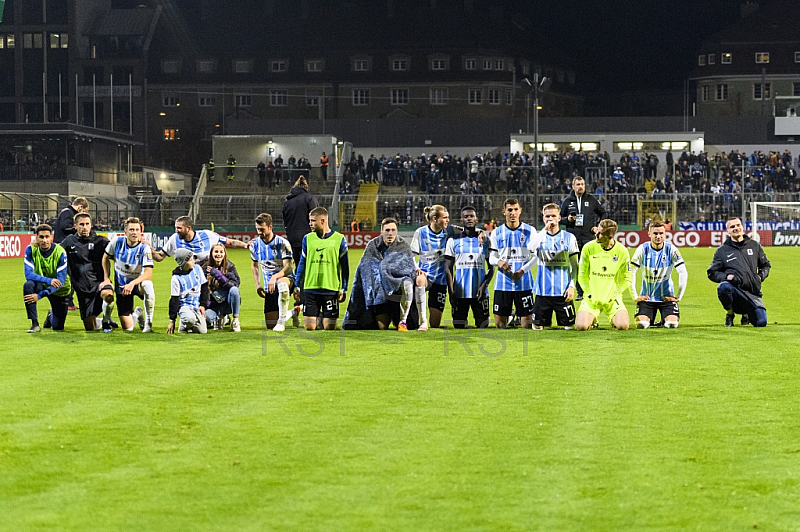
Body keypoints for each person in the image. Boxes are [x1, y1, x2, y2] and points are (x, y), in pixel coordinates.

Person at [344, 217, 418, 331]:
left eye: (393, 230)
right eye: (387, 230)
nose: (390, 233)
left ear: (397, 231)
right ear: (381, 231)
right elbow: (366, 267)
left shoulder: (403, 246)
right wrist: (382, 277)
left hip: (396, 293)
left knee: (408, 284)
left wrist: (389, 274)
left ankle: (403, 319)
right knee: (381, 327)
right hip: (380, 293)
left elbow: (408, 269)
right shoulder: (372, 245)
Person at [520, 203, 579, 330]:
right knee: (537, 327)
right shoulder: (539, 237)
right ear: (543, 218)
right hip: (542, 292)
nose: (550, 219)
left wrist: (572, 286)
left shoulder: (569, 237)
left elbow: (575, 266)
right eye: (547, 216)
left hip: (563, 292)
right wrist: (545, 230)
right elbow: (530, 247)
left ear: (559, 218)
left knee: (569, 328)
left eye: (553, 216)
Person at [489, 198, 542, 329]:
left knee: (527, 326)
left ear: (520, 211)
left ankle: (514, 317)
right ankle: (511, 316)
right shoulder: (496, 232)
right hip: (503, 284)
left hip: (524, 283)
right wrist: (499, 262)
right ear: (504, 212)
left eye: (515, 210)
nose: (513, 213)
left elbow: (536, 256)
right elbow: (491, 257)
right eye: (510, 210)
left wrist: (523, 270)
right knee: (499, 325)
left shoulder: (530, 230)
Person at [707, 217, 770, 327]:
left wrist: (760, 277)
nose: (736, 228)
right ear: (728, 231)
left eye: (738, 225)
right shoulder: (722, 251)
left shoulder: (754, 245)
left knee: (761, 323)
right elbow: (712, 272)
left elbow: (766, 265)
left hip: (752, 293)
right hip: (735, 290)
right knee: (723, 287)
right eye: (732, 227)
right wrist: (726, 277)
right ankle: (730, 314)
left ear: (742, 227)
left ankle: (746, 314)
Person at [293, 207, 349, 331]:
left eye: (313, 221)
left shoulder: (339, 239)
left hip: (330, 289)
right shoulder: (307, 239)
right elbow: (302, 263)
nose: (310, 223)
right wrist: (297, 285)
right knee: (309, 327)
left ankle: (321, 318)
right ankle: (313, 316)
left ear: (322, 221)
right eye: (310, 220)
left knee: (330, 327)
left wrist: (344, 288)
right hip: (310, 288)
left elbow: (345, 267)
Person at [61, 212, 117, 332]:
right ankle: (102, 320)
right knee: (90, 329)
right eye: (81, 224)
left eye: (87, 224)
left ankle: (106, 320)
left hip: (100, 284)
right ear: (75, 226)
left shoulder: (101, 242)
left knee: (108, 295)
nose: (85, 227)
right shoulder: (69, 242)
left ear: (91, 225)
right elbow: (55, 253)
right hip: (82, 289)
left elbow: (119, 255)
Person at [574, 219, 632, 331]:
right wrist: (588, 293)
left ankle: (612, 318)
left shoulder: (622, 251)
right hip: (592, 298)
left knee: (623, 326)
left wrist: (616, 293)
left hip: (611, 299)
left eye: (600, 233)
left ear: (610, 236)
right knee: (581, 327)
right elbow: (581, 275)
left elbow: (627, 277)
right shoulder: (588, 248)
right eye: (597, 231)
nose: (596, 234)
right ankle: (593, 319)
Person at [630, 221, 688, 329]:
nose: (658, 236)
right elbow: (631, 272)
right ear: (649, 234)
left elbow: (683, 272)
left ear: (665, 233)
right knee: (641, 325)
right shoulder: (642, 249)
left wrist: (678, 296)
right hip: (647, 298)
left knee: (672, 324)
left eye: (661, 233)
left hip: (666, 298)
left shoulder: (671, 249)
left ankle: (664, 319)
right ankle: (649, 318)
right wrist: (635, 296)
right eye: (655, 233)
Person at [102, 217, 155, 332]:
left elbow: (148, 273)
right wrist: (106, 278)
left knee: (148, 284)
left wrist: (132, 284)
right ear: (125, 232)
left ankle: (148, 323)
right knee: (128, 328)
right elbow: (105, 257)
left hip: (137, 284)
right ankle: (137, 314)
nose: (135, 232)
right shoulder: (117, 242)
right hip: (122, 285)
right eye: (131, 230)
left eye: (137, 230)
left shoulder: (144, 248)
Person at [445, 206, 494, 329]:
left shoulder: (485, 241)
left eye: (471, 216)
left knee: (483, 326)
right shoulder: (453, 240)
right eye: (466, 216)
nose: (469, 218)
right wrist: (451, 292)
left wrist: (484, 286)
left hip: (480, 293)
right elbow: (448, 269)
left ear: (476, 219)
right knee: (458, 326)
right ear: (461, 220)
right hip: (460, 293)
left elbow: (491, 267)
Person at [411, 205, 457, 330]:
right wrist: (416, 268)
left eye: (448, 217)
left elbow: (467, 230)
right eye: (445, 217)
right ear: (435, 218)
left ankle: (428, 321)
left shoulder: (449, 232)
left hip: (441, 280)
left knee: (435, 324)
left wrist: (480, 233)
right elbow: (411, 255)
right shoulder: (420, 232)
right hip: (425, 275)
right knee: (420, 280)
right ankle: (423, 321)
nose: (448, 220)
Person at [560, 176, 606, 300]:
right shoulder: (567, 201)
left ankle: (593, 291)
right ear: (573, 186)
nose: (580, 186)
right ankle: (580, 292)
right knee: (575, 266)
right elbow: (559, 219)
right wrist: (567, 220)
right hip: (573, 240)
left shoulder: (591, 200)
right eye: (578, 184)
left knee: (591, 265)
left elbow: (603, 213)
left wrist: (598, 227)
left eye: (582, 184)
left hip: (589, 238)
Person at [250, 213, 298, 332]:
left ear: (270, 227)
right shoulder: (255, 245)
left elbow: (288, 267)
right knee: (271, 325)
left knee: (281, 284)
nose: (259, 232)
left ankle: (281, 323)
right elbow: (254, 265)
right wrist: (257, 284)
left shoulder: (282, 243)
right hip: (269, 286)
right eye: (257, 229)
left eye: (262, 229)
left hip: (287, 279)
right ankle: (294, 312)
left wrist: (275, 277)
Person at [23, 224, 71, 333]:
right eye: (41, 237)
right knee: (28, 285)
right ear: (36, 238)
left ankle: (51, 315)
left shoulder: (60, 252)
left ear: (51, 237)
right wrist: (49, 281)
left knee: (58, 327)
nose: (44, 240)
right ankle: (34, 324)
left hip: (60, 290)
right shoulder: (30, 249)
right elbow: (28, 274)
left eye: (47, 237)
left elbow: (60, 282)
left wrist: (39, 296)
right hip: (43, 283)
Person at [152, 215, 248, 263]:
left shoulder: (206, 235)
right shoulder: (174, 238)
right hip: (187, 276)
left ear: (189, 228)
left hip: (208, 274)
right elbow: (160, 257)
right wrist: (149, 249)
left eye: (179, 228)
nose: (176, 230)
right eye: (176, 228)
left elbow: (230, 242)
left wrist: (245, 245)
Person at [54, 196, 89, 310]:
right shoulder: (67, 213)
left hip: (67, 248)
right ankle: (66, 301)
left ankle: (68, 301)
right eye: (84, 211)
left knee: (72, 274)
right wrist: (78, 230)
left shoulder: (67, 213)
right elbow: (65, 228)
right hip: (64, 248)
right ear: (80, 207)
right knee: (70, 275)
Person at [200, 243, 241, 332]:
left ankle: (235, 320)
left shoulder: (230, 267)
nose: (218, 254)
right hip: (212, 304)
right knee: (206, 318)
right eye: (216, 252)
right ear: (211, 253)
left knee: (234, 290)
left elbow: (235, 284)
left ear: (224, 254)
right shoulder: (204, 268)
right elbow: (200, 289)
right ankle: (218, 317)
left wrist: (219, 276)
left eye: (221, 252)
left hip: (227, 301)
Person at [166, 249, 209, 334]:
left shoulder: (197, 269)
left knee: (203, 331)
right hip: (184, 306)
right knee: (190, 319)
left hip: (196, 306)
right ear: (183, 263)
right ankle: (185, 323)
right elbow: (174, 299)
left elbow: (204, 287)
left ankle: (187, 325)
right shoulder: (176, 278)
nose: (193, 261)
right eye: (190, 260)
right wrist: (172, 320)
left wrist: (203, 305)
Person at [282, 176, 319, 268]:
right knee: (310, 266)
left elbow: (285, 222)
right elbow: (315, 217)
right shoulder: (309, 198)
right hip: (308, 238)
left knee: (299, 266)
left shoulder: (287, 202)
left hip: (293, 238)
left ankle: (298, 282)